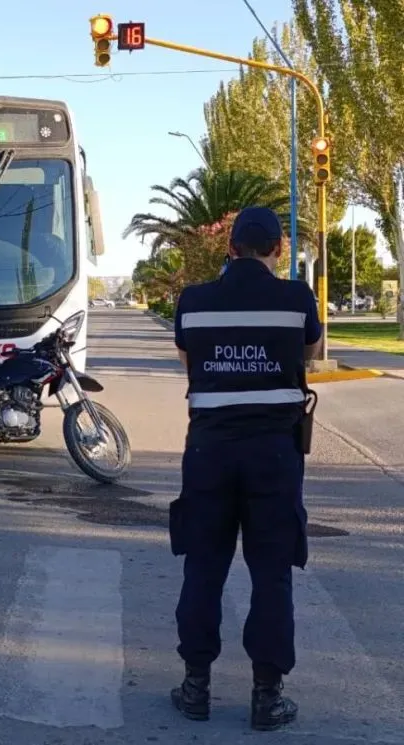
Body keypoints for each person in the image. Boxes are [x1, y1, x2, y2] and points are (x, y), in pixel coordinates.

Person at [169, 206, 321, 731]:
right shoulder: (297, 299)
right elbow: (310, 351)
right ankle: (266, 696)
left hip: (209, 453)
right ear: (278, 251)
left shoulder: (193, 301)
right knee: (272, 573)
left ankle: (195, 688)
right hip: (275, 456)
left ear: (229, 248)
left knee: (204, 567)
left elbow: (189, 364)